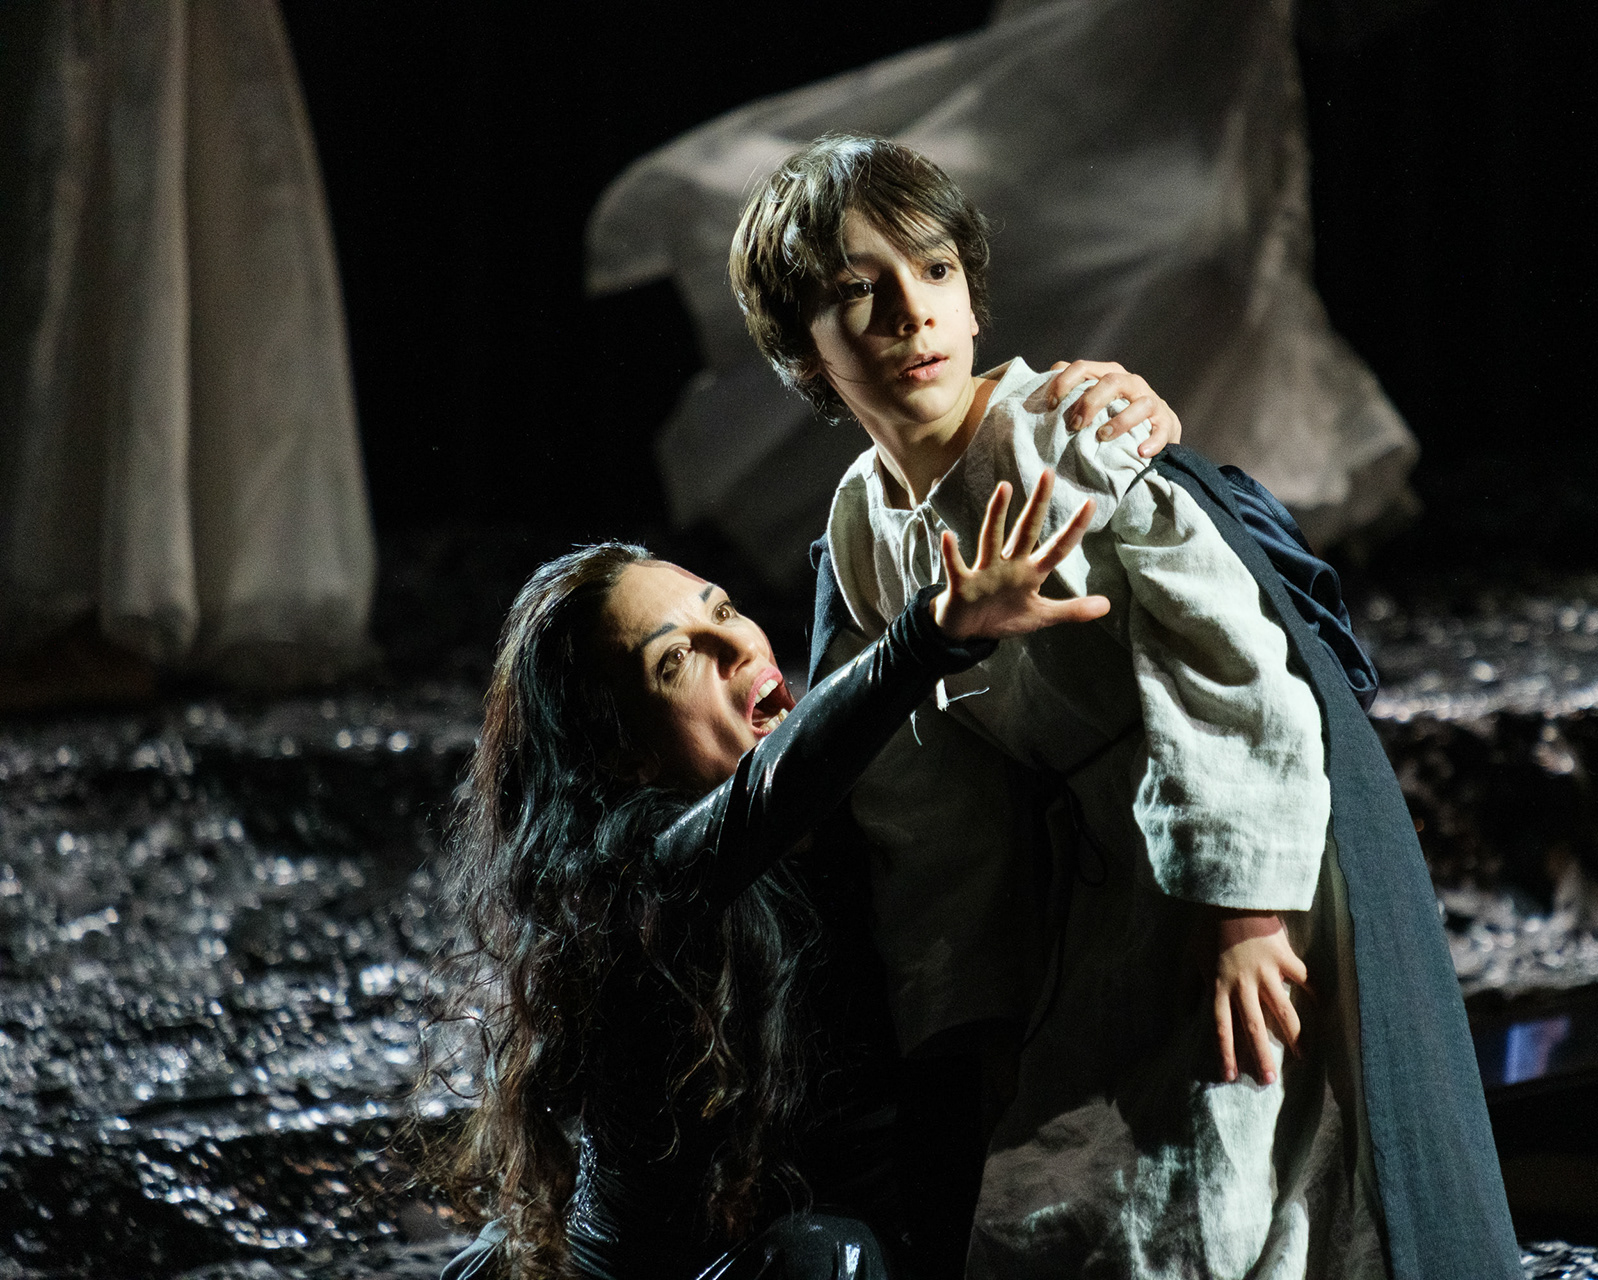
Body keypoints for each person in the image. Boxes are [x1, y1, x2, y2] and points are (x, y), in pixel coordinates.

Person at [729, 135, 1521, 1279]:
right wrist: (964, 1003)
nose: (911, 311)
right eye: (858, 289)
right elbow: (922, 795)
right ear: (805, 346)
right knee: (1092, 1202)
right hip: (1091, 893)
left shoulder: (1064, 432)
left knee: (1223, 1186)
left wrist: (1246, 909)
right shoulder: (861, 524)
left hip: (1227, 840)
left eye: (935, 269)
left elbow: (1227, 658)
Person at [423, 378, 1183, 1279]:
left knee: (824, 1255)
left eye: (721, 609)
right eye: (677, 660)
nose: (738, 646)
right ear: (626, 755)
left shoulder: (864, 795)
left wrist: (1114, 419)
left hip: (829, 1250)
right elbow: (769, 795)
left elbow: (836, 681)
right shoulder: (633, 880)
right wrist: (934, 632)